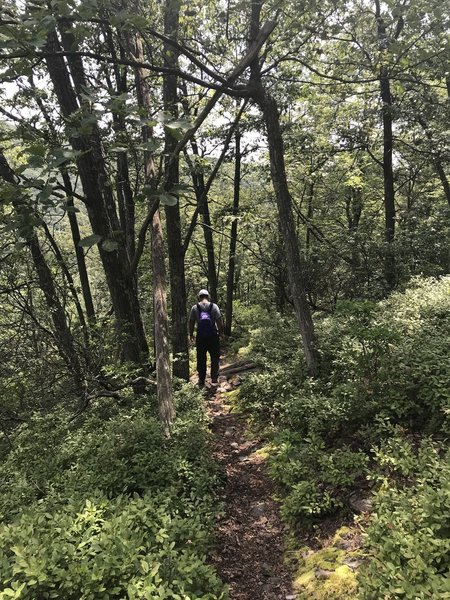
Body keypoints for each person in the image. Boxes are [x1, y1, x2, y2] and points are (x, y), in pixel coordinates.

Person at [189, 289, 224, 387]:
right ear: (208, 296)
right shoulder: (214, 306)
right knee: (215, 357)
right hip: (213, 335)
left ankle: (201, 379)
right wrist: (221, 333)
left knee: (201, 358)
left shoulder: (195, 308)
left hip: (201, 336)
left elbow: (191, 322)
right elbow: (219, 321)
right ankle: (214, 378)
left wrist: (191, 334)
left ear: (199, 297)